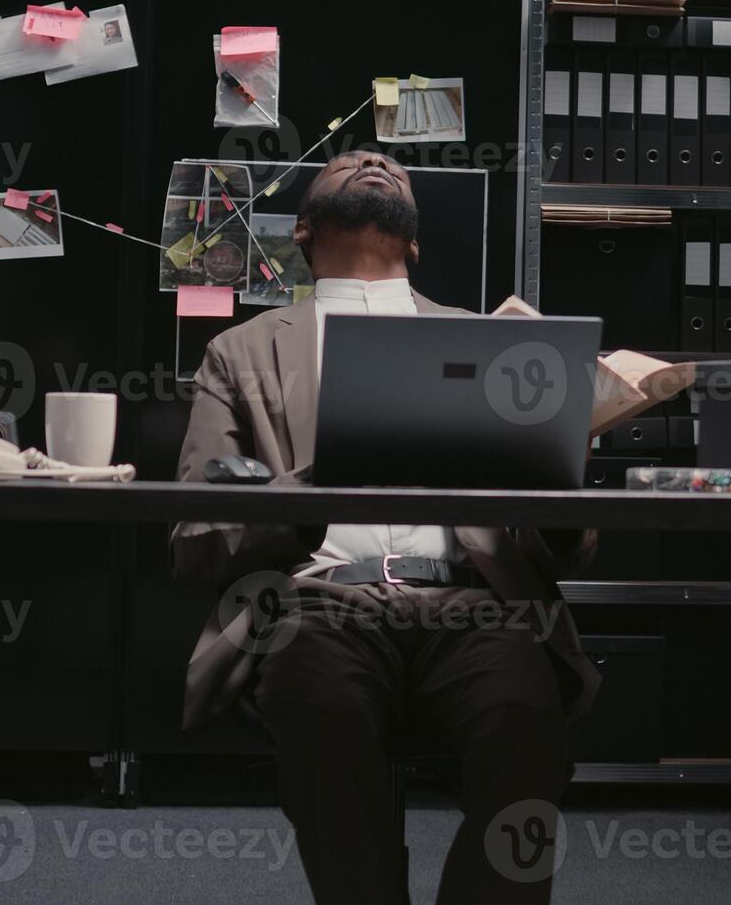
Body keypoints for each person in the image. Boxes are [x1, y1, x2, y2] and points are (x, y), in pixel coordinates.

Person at [171, 151, 600, 904]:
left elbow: (562, 546)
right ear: (303, 227)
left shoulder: (489, 341)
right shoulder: (240, 353)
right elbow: (196, 537)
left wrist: (564, 465)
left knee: (530, 727)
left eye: (391, 167)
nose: (374, 159)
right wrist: (317, 484)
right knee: (322, 717)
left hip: (474, 603)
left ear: (416, 244)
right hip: (318, 603)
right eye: (347, 162)